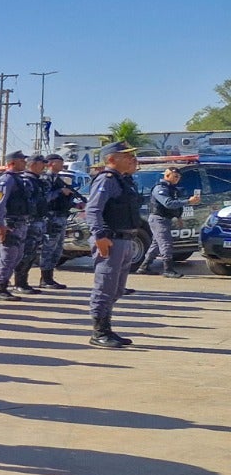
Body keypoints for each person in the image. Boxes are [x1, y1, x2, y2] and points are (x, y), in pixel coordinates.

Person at [84, 143, 144, 347]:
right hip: (110, 240)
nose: (132, 159)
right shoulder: (106, 179)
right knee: (105, 287)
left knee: (116, 289)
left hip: (125, 240)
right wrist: (100, 235)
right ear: (111, 159)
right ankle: (99, 331)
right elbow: (92, 210)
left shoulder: (124, 180)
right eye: (126, 156)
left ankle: (106, 327)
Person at [136, 165, 200, 277]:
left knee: (156, 244)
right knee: (165, 243)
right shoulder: (160, 188)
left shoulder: (172, 189)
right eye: (175, 176)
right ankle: (168, 269)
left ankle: (144, 266)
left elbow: (175, 205)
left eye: (178, 177)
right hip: (158, 219)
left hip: (165, 219)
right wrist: (188, 201)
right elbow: (168, 203)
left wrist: (179, 217)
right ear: (167, 176)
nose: (177, 179)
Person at [0, 150, 33, 301]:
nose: (24, 163)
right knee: (8, 257)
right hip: (10, 224)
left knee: (17, 256)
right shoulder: (6, 180)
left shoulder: (19, 179)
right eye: (22, 160)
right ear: (12, 162)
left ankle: (4, 284)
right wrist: (1, 225)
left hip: (21, 223)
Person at [12, 154, 51, 294]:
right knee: (26, 253)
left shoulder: (37, 180)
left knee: (33, 253)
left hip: (39, 220)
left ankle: (24, 281)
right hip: (30, 221)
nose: (44, 166)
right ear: (33, 164)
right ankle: (19, 282)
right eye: (42, 164)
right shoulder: (26, 180)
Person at [39, 154, 79, 288]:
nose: (62, 165)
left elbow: (63, 200)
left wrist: (74, 204)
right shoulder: (46, 179)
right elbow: (45, 198)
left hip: (61, 216)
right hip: (51, 217)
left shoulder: (59, 179)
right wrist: (60, 191)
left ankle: (49, 277)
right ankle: (45, 278)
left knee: (58, 248)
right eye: (59, 162)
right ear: (51, 163)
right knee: (49, 247)